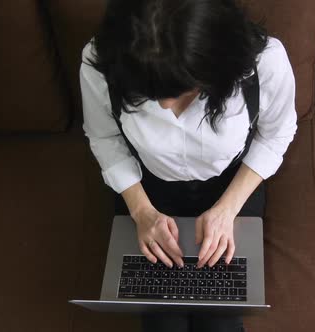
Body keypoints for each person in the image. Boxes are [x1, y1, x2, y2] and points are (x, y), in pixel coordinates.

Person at [79, 1, 297, 331]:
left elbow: (276, 134)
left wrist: (227, 210)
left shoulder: (264, 61)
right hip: (148, 186)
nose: (165, 105)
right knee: (161, 320)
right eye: (148, 92)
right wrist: (142, 212)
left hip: (231, 185)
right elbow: (105, 137)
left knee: (220, 320)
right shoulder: (102, 60)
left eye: (180, 88)